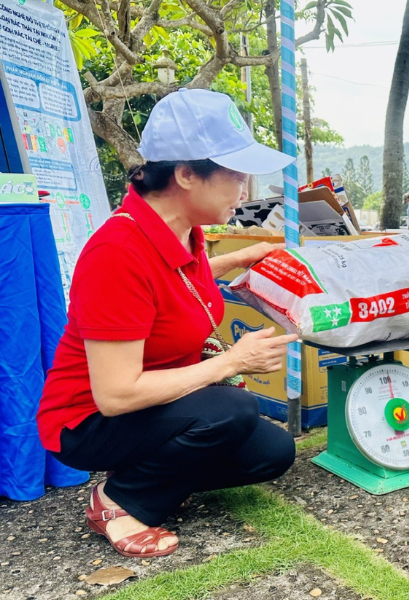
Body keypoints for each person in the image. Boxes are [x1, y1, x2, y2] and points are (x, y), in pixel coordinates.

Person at [36, 89, 300, 558]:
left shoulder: (182, 230)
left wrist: (243, 258)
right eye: (235, 175)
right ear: (186, 174)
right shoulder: (116, 253)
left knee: (272, 452)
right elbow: (115, 395)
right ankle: (119, 500)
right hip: (89, 418)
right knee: (230, 410)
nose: (244, 189)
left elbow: (175, 280)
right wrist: (231, 363)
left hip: (150, 402)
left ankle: (154, 469)